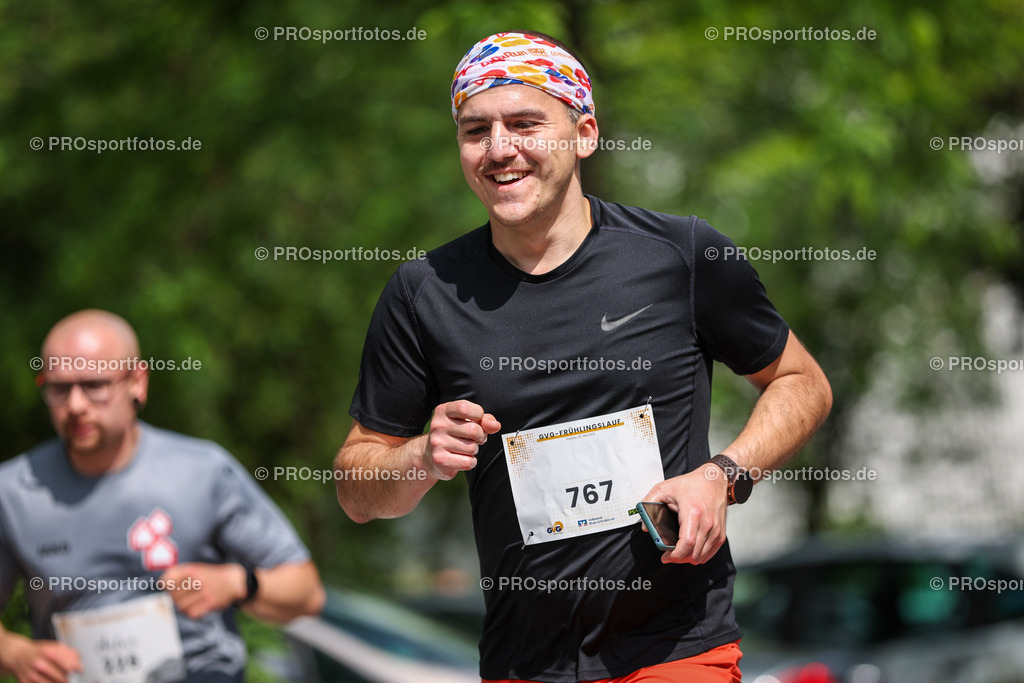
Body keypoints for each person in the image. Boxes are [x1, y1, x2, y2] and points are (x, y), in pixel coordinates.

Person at [335, 30, 832, 683]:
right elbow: (357, 490)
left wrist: (723, 475)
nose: (499, 148)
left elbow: (801, 381)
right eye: (476, 130)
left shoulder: (680, 256)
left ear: (585, 134)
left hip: (673, 649)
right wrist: (421, 456)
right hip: (522, 663)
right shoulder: (423, 292)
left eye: (524, 124)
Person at [0, 310, 326, 683]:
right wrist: (15, 653)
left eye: (94, 385)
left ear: (137, 382)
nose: (75, 405)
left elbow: (307, 593)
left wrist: (238, 583)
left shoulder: (202, 471)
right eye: (58, 388)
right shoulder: (12, 491)